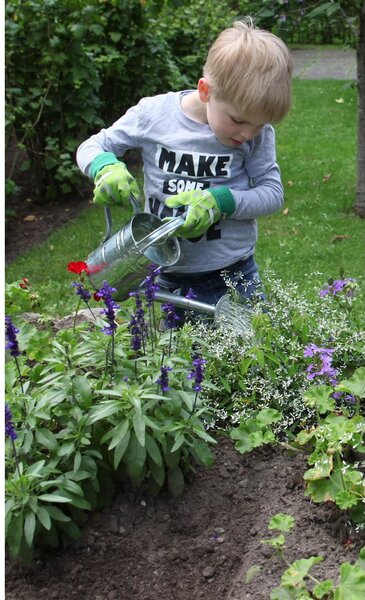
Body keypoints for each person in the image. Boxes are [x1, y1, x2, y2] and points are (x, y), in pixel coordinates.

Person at [76, 19, 293, 315]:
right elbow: (92, 146)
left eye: (260, 124)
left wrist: (222, 201)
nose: (248, 134)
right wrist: (105, 168)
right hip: (165, 275)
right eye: (239, 121)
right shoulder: (154, 115)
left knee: (249, 357)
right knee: (172, 358)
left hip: (234, 274)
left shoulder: (257, 135)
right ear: (206, 91)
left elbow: (272, 193)